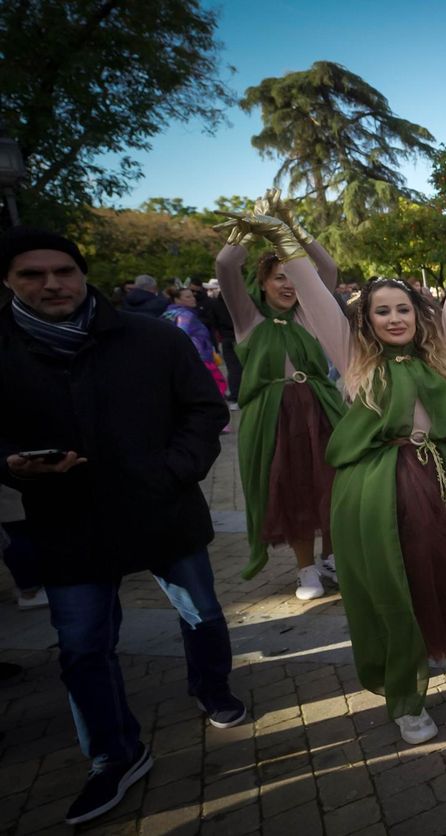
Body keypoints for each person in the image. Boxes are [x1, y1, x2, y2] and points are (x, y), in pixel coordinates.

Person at [216, 210, 446, 745]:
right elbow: (319, 300)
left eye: (403, 310)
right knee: (391, 590)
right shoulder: (353, 360)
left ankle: (429, 649)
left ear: (419, 317)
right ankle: (405, 696)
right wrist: (284, 239)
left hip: (441, 484)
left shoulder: (440, 358)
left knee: (439, 577)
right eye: (381, 312)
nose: (394, 319)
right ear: (366, 321)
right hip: (378, 488)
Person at [0, 226, 244, 825]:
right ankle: (113, 753)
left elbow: (204, 409)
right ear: (8, 280)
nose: (52, 283)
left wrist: (173, 470)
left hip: (161, 510)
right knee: (83, 647)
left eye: (63, 270)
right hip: (66, 521)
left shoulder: (149, 337)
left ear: (81, 274)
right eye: (32, 274)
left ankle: (211, 688)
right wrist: (12, 464)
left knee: (203, 613)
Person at [213, 189, 344, 600]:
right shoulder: (247, 318)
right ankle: (306, 569)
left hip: (321, 410)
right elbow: (225, 264)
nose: (289, 285)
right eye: (279, 277)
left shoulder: (309, 314)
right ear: (264, 283)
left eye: (293, 277)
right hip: (274, 417)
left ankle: (332, 559)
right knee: (291, 488)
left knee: (334, 484)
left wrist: (292, 228)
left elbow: (327, 269)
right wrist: (253, 227)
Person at [163, 285, 229, 399]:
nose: (193, 299)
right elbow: (181, 335)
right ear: (177, 299)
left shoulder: (168, 314)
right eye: (188, 297)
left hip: (183, 359)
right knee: (214, 389)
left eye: (192, 296)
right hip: (198, 358)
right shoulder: (186, 315)